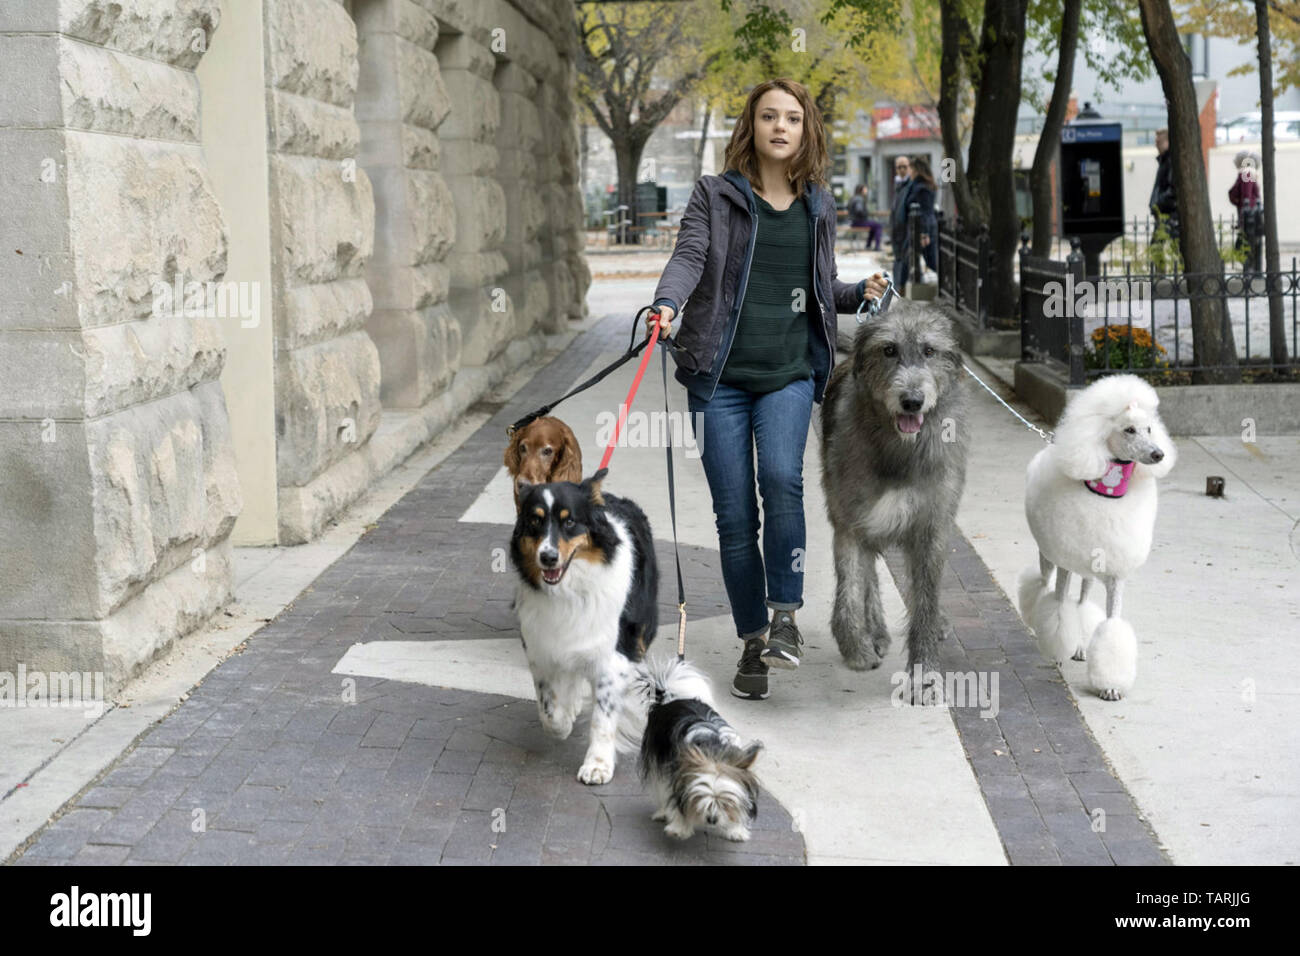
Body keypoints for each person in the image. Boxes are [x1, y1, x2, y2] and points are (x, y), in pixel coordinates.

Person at [644, 78, 890, 701]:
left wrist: (855, 293)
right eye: (768, 117)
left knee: (782, 478)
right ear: (750, 127)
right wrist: (667, 304)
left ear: (806, 131)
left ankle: (785, 616)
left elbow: (818, 286)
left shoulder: (819, 205)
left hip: (787, 374)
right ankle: (752, 641)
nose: (781, 127)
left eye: (792, 118)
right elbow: (690, 257)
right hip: (719, 378)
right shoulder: (715, 196)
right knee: (734, 519)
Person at [1229, 150, 1263, 274]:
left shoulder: (1247, 174)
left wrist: (1243, 218)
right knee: (1245, 246)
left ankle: (1249, 271)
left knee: (1243, 247)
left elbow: (1246, 197)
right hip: (1250, 216)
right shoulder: (1249, 174)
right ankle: (1250, 269)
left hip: (1249, 218)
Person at [907, 155, 939, 282]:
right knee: (928, 258)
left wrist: (924, 233)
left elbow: (925, 211)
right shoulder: (921, 185)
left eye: (910, 168)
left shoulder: (921, 187)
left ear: (916, 170)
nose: (909, 172)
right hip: (925, 225)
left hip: (925, 226)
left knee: (931, 260)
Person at [890, 155, 916, 286]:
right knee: (898, 259)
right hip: (897, 229)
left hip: (906, 229)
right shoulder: (898, 185)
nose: (901, 170)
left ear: (909, 167)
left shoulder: (910, 185)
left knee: (905, 261)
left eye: (904, 166)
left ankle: (901, 288)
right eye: (898, 167)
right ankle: (899, 287)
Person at [1149, 128, 1178, 241]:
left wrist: (1157, 203)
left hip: (1168, 217)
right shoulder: (1164, 161)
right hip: (1164, 216)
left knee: (1158, 254)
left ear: (1167, 142)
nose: (1156, 145)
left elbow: (1173, 190)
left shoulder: (1170, 161)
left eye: (1159, 142)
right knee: (1157, 254)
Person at [847, 183, 882, 250]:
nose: (866, 190)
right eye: (865, 189)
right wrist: (865, 214)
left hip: (854, 222)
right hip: (859, 222)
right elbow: (859, 210)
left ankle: (868, 245)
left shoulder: (853, 198)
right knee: (878, 225)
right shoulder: (859, 199)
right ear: (861, 190)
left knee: (873, 226)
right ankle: (877, 246)